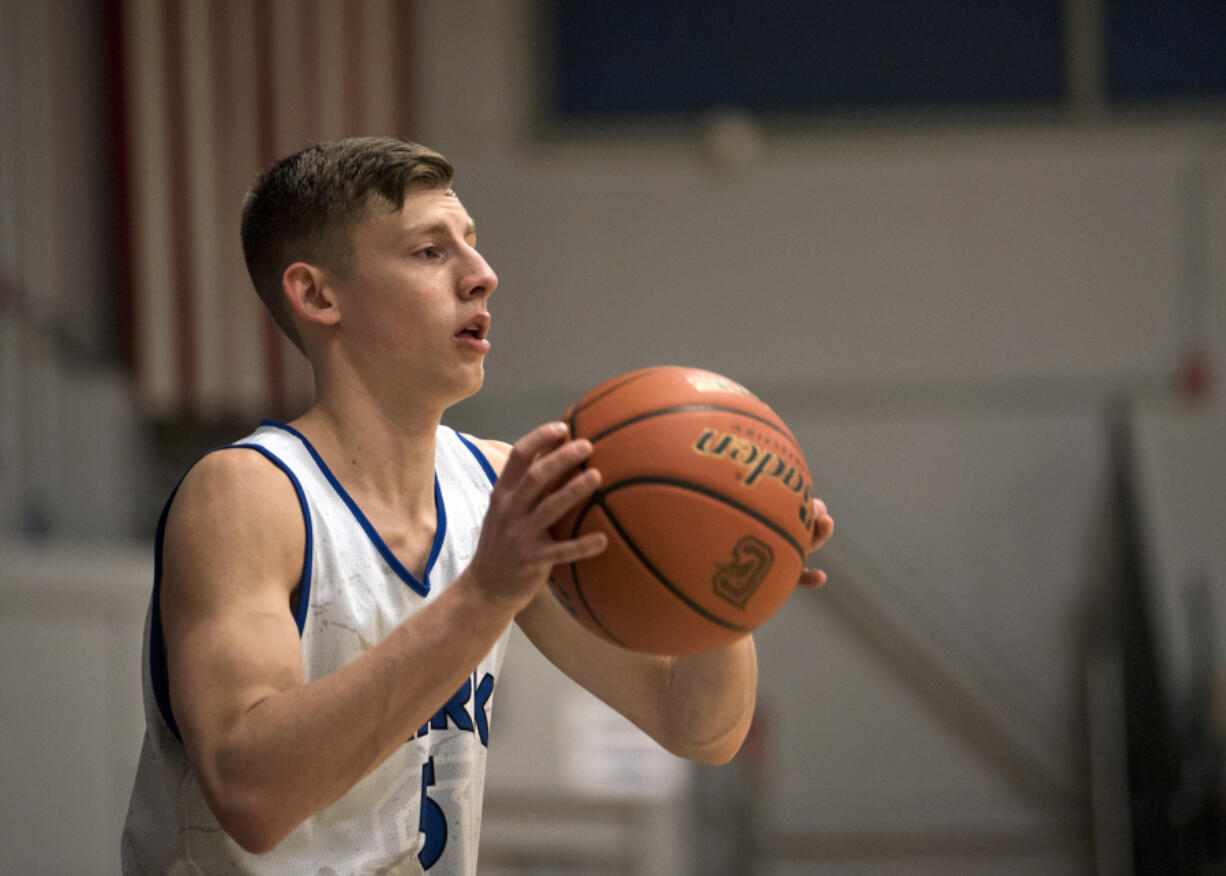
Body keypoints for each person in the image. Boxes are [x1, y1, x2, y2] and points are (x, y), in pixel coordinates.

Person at [120, 136, 834, 874]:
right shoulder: (246, 495)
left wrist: (722, 578)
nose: (483, 276)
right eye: (430, 252)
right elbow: (252, 795)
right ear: (318, 295)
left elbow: (697, 729)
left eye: (472, 244)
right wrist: (485, 595)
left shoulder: (498, 487)